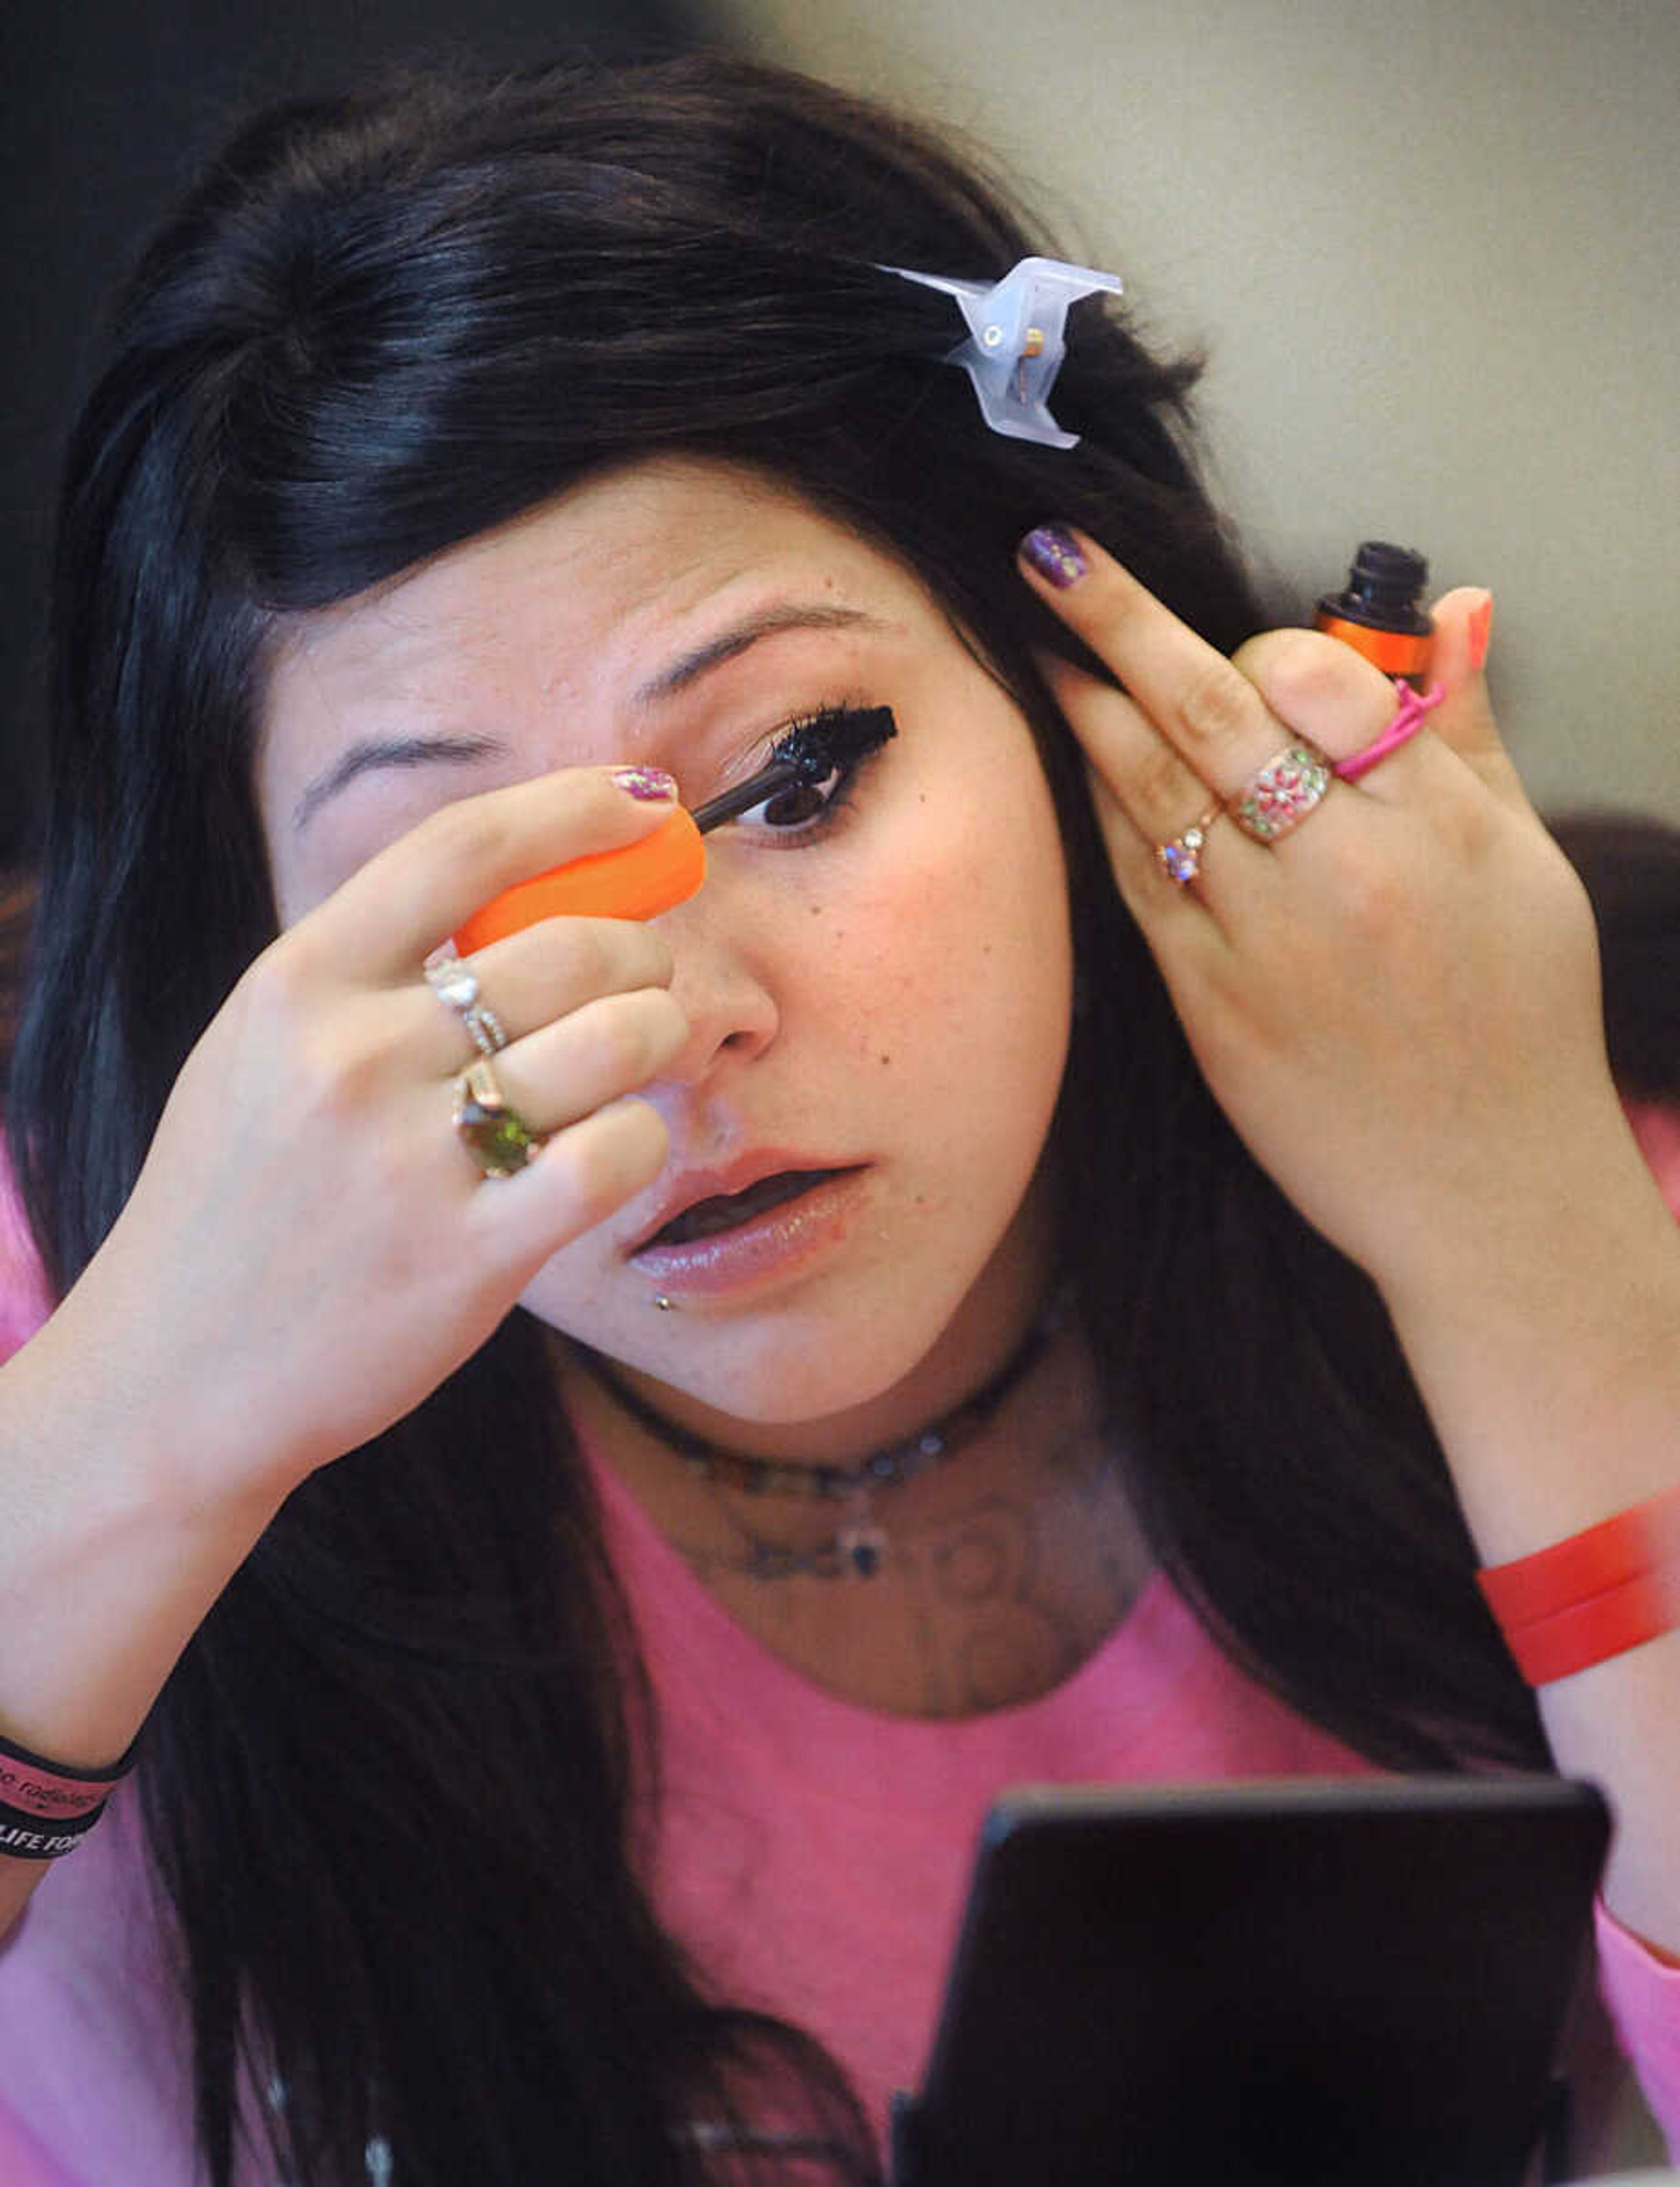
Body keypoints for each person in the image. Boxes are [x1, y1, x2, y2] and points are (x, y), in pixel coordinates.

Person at [0, 51, 1677, 2187]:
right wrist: (136, 1436)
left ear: (1087, 690)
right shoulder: (72, 1319)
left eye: (797, 775)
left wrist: (1524, 1241)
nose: (678, 1018)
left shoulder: (1546, 1130)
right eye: (468, 905)